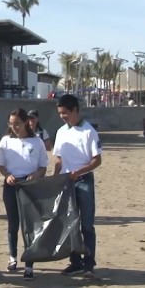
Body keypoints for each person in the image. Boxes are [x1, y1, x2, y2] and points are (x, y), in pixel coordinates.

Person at [0, 108, 48, 280]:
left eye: (17, 123)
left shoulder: (37, 142)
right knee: (13, 223)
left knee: (29, 226)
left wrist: (36, 175)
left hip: (29, 186)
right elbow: (0, 165)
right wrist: (7, 175)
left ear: (26, 122)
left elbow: (43, 167)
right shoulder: (6, 141)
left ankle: (29, 264)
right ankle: (12, 257)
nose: (14, 126)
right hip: (12, 184)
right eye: (11, 123)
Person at [52, 94, 102, 278]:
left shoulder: (89, 132)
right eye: (60, 113)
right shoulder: (61, 132)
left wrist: (79, 172)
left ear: (74, 110)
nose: (62, 116)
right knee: (70, 223)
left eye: (65, 112)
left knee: (86, 224)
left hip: (84, 181)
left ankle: (89, 263)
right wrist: (55, 180)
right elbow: (58, 159)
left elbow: (97, 161)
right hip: (66, 182)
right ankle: (75, 262)